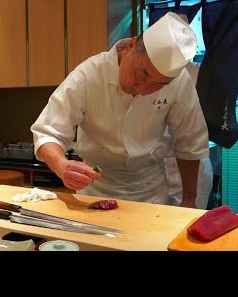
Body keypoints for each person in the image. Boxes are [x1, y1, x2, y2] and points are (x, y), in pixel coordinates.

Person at [31, 12, 210, 208]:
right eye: (142, 73)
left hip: (151, 192)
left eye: (158, 85)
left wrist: (189, 200)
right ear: (131, 46)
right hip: (95, 187)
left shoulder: (180, 82)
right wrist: (61, 165)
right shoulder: (90, 74)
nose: (143, 89)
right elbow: (47, 132)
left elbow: (190, 143)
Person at [165, 61, 214, 209]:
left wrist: (190, 197)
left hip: (193, 169)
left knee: (187, 225)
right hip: (156, 169)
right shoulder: (148, 70)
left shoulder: (200, 71)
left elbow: (193, 139)